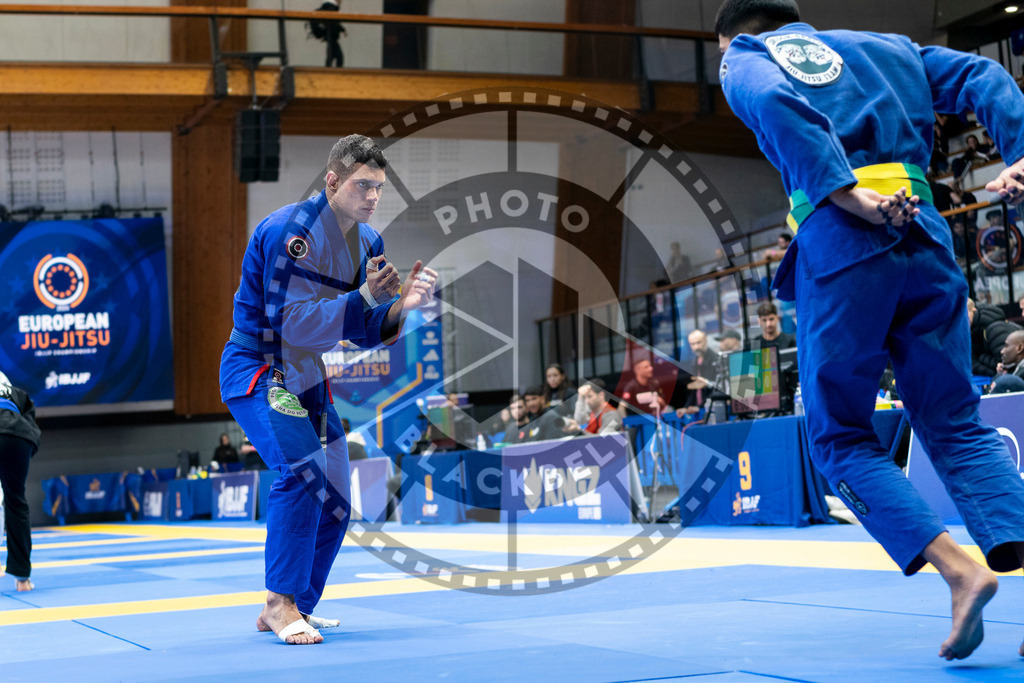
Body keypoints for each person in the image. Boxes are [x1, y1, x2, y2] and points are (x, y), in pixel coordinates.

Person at [717, 0, 1024, 660]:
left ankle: (961, 570)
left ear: (733, 34)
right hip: (927, 232)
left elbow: (771, 99)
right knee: (954, 420)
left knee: (840, 436)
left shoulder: (747, 56)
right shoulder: (890, 47)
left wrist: (842, 190)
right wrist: (1022, 148)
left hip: (843, 237)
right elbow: (984, 77)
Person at [219, 134, 437, 644]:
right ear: (333, 181)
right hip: (259, 365)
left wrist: (403, 306)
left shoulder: (369, 244)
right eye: (363, 185)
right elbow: (290, 325)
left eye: (380, 188)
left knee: (337, 490)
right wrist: (363, 296)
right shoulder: (287, 233)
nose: (373, 197)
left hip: (310, 374)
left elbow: (364, 330)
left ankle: (296, 604)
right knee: (302, 471)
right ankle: (279, 603)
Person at [0, 371, 39, 593]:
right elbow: (31, 428)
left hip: (18, 433)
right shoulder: (17, 394)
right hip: (18, 435)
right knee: (16, 501)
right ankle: (23, 580)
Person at [677, 330, 720, 417]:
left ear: (705, 340)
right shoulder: (694, 362)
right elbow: (694, 390)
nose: (696, 347)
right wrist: (687, 407)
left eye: (698, 342)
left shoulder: (716, 359)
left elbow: (720, 387)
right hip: (698, 411)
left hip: (712, 409)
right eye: (692, 344)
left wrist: (699, 407)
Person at [312, 0, 347, 68]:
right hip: (331, 36)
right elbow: (333, 22)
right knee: (339, 57)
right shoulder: (332, 8)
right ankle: (336, 73)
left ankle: (328, 71)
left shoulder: (328, 7)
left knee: (331, 56)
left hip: (329, 36)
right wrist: (342, 29)